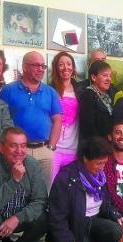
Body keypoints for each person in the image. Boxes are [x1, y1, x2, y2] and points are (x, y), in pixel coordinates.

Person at [48, 137, 123, 242]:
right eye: (98, 163)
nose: (102, 167)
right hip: (75, 228)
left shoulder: (100, 175)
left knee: (116, 230)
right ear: (85, 159)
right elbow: (57, 219)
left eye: (104, 163)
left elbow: (106, 202)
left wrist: (115, 214)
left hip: (92, 222)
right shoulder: (66, 178)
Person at [0, 51, 62, 190]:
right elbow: (1, 120)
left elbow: (58, 120)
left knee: (43, 192)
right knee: (17, 191)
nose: (40, 69)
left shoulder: (50, 92)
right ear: (25, 67)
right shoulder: (8, 90)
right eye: (36, 65)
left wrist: (51, 147)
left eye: (43, 66)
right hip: (17, 150)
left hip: (44, 150)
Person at [48, 52, 83, 180]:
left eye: (69, 64)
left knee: (69, 191)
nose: (65, 68)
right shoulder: (49, 90)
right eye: (61, 65)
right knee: (50, 188)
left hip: (73, 151)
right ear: (56, 68)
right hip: (53, 150)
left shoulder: (80, 90)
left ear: (73, 68)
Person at [78, 60, 115, 142]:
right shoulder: (88, 95)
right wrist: (106, 137)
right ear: (93, 77)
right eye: (105, 75)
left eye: (110, 76)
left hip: (107, 144)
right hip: (95, 146)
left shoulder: (108, 95)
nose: (108, 79)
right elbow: (89, 127)